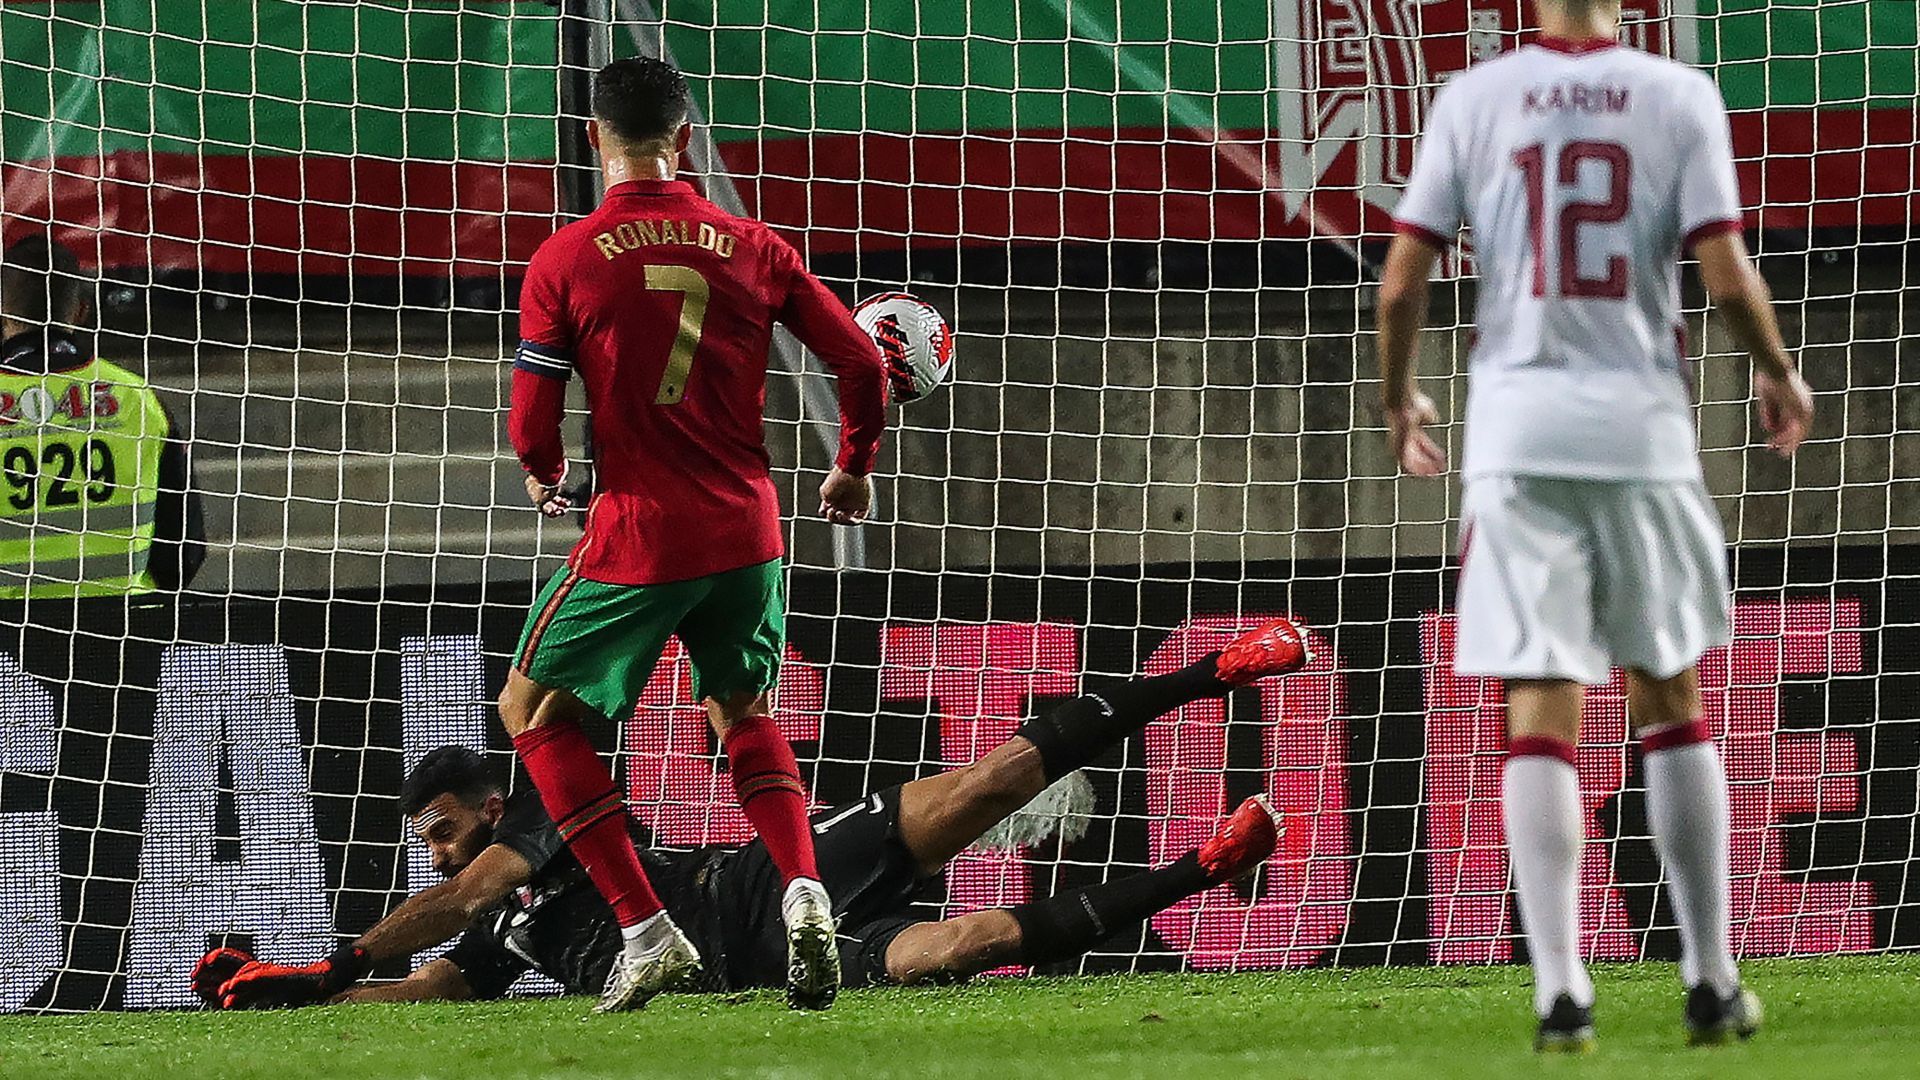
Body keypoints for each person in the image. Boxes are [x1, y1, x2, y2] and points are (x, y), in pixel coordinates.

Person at [1374, 0, 1815, 1054]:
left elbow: (1402, 284)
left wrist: (1399, 398)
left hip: (1520, 436)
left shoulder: (1474, 97)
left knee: (1541, 701)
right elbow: (1723, 275)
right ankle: (1709, 978)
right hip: (1641, 433)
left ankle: (1561, 991)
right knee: (1669, 685)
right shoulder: (1676, 96)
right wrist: (1777, 366)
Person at [194, 619, 1309, 1009]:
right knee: (948, 952)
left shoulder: (544, 808)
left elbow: (463, 895)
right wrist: (289, 1002)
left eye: (439, 827)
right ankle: (1203, 870)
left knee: (986, 786)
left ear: (488, 806)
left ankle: (1211, 670)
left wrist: (328, 964)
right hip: (767, 960)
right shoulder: (493, 936)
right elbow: (433, 981)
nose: (436, 852)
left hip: (766, 877)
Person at [497, 56, 888, 1013]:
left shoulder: (566, 258)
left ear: (595, 137)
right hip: (749, 531)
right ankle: (804, 892)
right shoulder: (755, 244)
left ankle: (644, 929)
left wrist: (548, 476)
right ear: (682, 137)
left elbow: (531, 420)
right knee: (744, 712)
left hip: (642, 532)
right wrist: (852, 464)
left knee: (531, 714)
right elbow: (861, 363)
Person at [0, 236, 203, 598]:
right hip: (122, 630)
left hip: (12, 639)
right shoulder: (138, 399)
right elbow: (184, 550)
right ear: (82, 311)